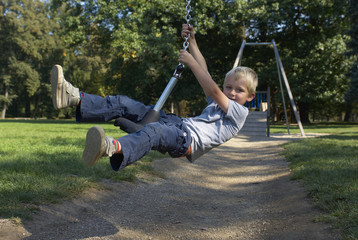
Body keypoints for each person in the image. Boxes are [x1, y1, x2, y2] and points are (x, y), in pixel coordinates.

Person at [51, 24, 258, 171]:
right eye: (228, 87)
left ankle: (111, 147)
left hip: (186, 140)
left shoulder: (239, 113)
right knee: (126, 103)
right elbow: (205, 72)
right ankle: (73, 98)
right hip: (177, 123)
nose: (231, 93)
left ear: (250, 96)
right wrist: (192, 42)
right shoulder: (220, 102)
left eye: (239, 90)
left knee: (155, 131)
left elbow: (212, 89)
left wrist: (190, 63)